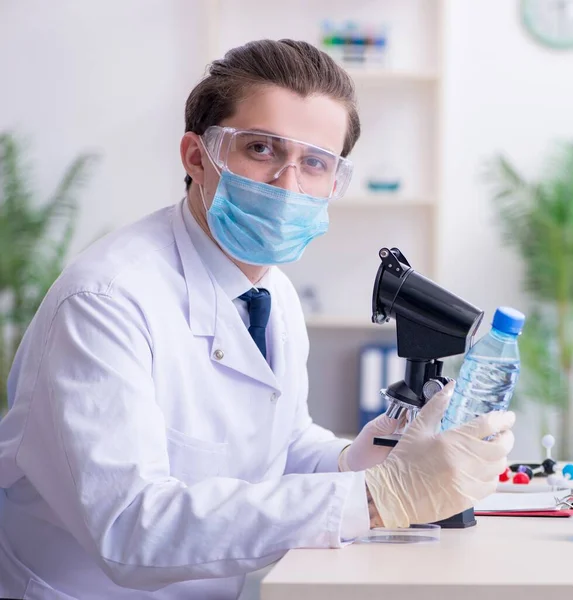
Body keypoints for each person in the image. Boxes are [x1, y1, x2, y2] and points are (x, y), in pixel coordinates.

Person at [0, 39, 515, 600]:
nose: (289, 185)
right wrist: (378, 496)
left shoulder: (271, 289)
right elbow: (130, 527)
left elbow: (280, 444)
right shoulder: (105, 301)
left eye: (315, 163)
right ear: (198, 157)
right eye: (262, 149)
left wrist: (355, 458)